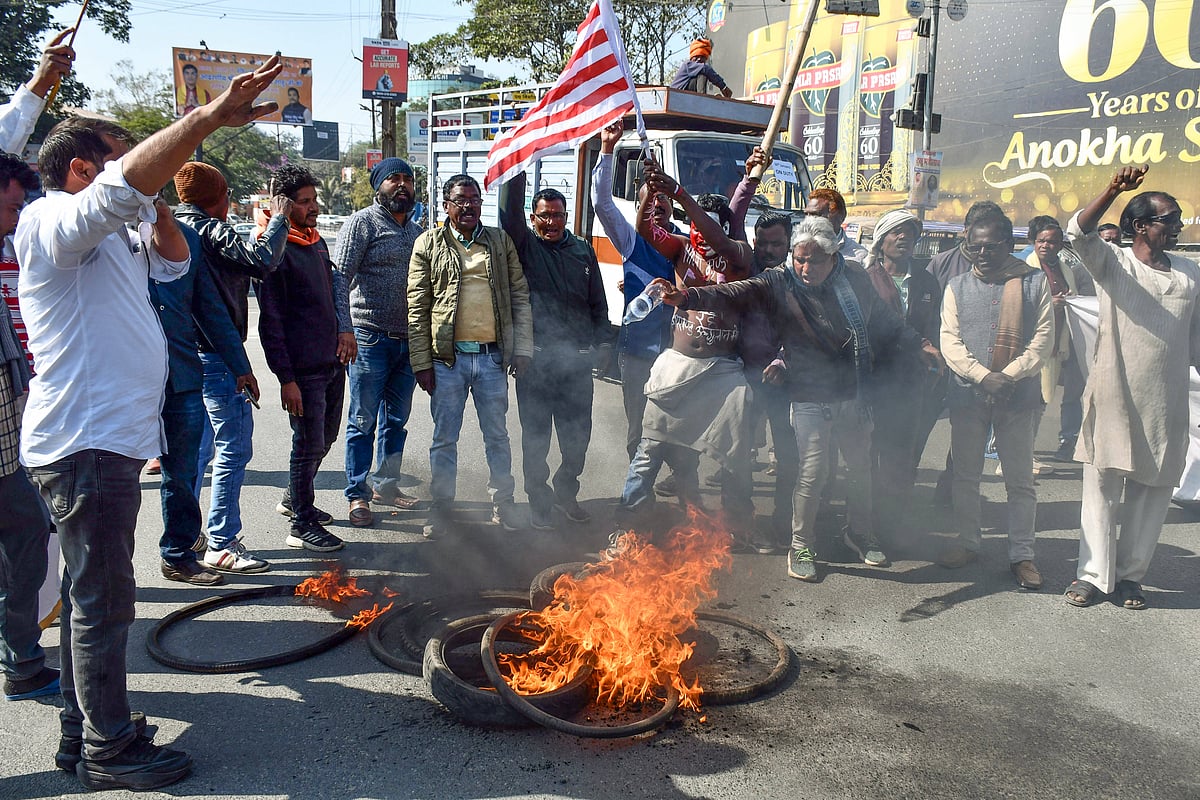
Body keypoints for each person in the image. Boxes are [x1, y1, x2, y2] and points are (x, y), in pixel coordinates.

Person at [15, 55, 284, 790]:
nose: (143, 181)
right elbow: (117, 190)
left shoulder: (119, 232)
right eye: (116, 167)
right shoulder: (50, 224)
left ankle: (84, 733)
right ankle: (109, 750)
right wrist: (200, 120)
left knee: (86, 599)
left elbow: (175, 261)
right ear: (80, 171)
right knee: (104, 606)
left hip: (106, 446)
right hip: (84, 445)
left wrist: (156, 202)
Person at [654, 215, 942, 580]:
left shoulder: (854, 277)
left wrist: (921, 343)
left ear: (833, 256)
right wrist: (690, 295)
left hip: (852, 391)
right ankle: (800, 544)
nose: (805, 268)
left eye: (815, 260)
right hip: (808, 394)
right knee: (812, 474)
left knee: (860, 470)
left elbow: (886, 320)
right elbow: (736, 291)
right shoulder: (781, 278)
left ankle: (858, 532)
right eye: (800, 259)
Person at [1064, 165, 1200, 610]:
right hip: (1114, 393)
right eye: (1170, 219)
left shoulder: (1188, 274)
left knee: (1153, 490)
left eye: (1178, 219)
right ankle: (1090, 577)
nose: (1178, 226)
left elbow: (1194, 337)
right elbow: (1078, 231)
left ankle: (1129, 578)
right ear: (1140, 226)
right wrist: (1114, 190)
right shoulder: (1113, 261)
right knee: (1101, 486)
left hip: (1165, 402)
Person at [621, 158, 756, 544]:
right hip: (678, 367)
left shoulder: (738, 255)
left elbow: (718, 240)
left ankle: (736, 524)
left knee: (734, 456)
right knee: (649, 451)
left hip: (723, 373)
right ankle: (627, 521)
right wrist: (652, 189)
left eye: (707, 226)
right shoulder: (681, 250)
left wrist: (681, 193)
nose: (700, 234)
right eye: (695, 226)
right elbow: (646, 228)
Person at [174, 161, 289, 570]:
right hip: (217, 356)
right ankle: (222, 541)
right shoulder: (208, 229)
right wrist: (279, 220)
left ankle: (185, 538)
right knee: (232, 448)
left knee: (197, 451)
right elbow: (261, 260)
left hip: (186, 355)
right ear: (219, 198)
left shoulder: (170, 227)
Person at [407, 174, 533, 539]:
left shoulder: (498, 240)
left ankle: (503, 504)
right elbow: (417, 308)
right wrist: (421, 362)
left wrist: (522, 348)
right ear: (446, 205)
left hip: (493, 360)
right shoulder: (428, 244)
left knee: (497, 436)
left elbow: (520, 296)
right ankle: (442, 508)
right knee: (445, 438)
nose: (469, 206)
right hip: (447, 362)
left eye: (475, 199)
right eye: (461, 200)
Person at [938, 211, 1053, 589]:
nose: (982, 254)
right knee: (966, 476)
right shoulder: (956, 285)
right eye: (975, 246)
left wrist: (1010, 375)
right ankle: (968, 542)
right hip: (968, 397)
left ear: (1011, 245)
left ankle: (1022, 555)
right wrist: (983, 376)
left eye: (991, 246)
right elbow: (949, 341)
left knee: (1019, 482)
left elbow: (1043, 340)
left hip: (1018, 399)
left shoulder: (1035, 283)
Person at [153, 201, 261, 584]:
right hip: (125, 378)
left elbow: (210, 308)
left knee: (181, 469)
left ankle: (180, 553)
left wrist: (241, 366)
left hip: (182, 374)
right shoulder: (116, 242)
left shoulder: (189, 242)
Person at [500, 173, 611, 529]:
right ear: (533, 219)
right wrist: (517, 165)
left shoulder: (582, 250)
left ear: (566, 216)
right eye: (544, 216)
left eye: (558, 215)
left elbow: (598, 301)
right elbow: (508, 214)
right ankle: (539, 501)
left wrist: (604, 341)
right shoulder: (525, 247)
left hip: (576, 362)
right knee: (536, 441)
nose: (552, 222)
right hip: (535, 361)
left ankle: (566, 492)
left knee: (576, 440)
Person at [257, 163, 356, 553]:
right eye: (304, 202)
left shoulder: (314, 240)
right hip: (303, 371)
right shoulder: (274, 251)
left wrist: (344, 330)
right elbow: (272, 322)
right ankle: (301, 523)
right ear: (283, 205)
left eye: (315, 199)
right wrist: (287, 378)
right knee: (307, 443)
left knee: (325, 438)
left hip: (331, 363)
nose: (313, 207)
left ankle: (293, 499)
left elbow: (334, 290)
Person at [590, 123, 680, 501]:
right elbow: (602, 204)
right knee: (640, 430)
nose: (657, 211)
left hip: (678, 358)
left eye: (663, 205)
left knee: (677, 428)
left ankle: (679, 483)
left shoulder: (684, 242)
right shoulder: (631, 240)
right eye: (649, 204)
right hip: (638, 354)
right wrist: (608, 148)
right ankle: (637, 501)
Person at [336, 157, 423, 528]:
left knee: (396, 421)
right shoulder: (362, 223)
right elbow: (339, 278)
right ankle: (358, 494)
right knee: (362, 420)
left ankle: (387, 485)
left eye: (407, 179)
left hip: (409, 341)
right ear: (378, 187)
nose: (401, 185)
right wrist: (345, 330)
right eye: (393, 179)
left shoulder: (417, 231)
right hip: (369, 338)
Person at [0, 152, 56, 702]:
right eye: (12, 205)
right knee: (27, 537)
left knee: (27, 539)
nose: (18, 217)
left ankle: (20, 657)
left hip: (7, 445)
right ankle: (20, 659)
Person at [863, 209, 943, 547]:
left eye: (910, 233)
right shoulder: (864, 278)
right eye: (897, 232)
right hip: (871, 382)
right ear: (881, 240)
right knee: (867, 455)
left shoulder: (926, 281)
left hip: (912, 383)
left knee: (903, 456)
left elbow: (934, 330)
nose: (904, 238)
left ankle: (890, 526)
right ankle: (863, 526)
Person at [1024, 215, 1083, 468]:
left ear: (1061, 244)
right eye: (1042, 241)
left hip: (1056, 344)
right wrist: (1051, 304)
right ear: (1033, 242)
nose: (1046, 246)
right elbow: (1021, 306)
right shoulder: (1024, 266)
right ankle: (1017, 456)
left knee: (1040, 403)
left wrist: (1067, 301)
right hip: (1032, 345)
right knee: (1029, 403)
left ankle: (1025, 455)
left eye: (1052, 241)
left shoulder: (1065, 268)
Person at [804, 188, 868, 267]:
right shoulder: (796, 250)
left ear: (840, 216)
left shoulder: (859, 256)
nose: (809, 220)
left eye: (817, 215)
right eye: (806, 215)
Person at [670, 37, 734, 98]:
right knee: (702, 72)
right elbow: (706, 69)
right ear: (692, 57)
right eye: (696, 56)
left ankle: (702, 99)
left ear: (706, 59)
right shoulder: (687, 65)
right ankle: (702, 99)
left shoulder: (697, 67)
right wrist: (723, 87)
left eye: (702, 57)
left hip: (685, 97)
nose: (699, 59)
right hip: (676, 96)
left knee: (702, 71)